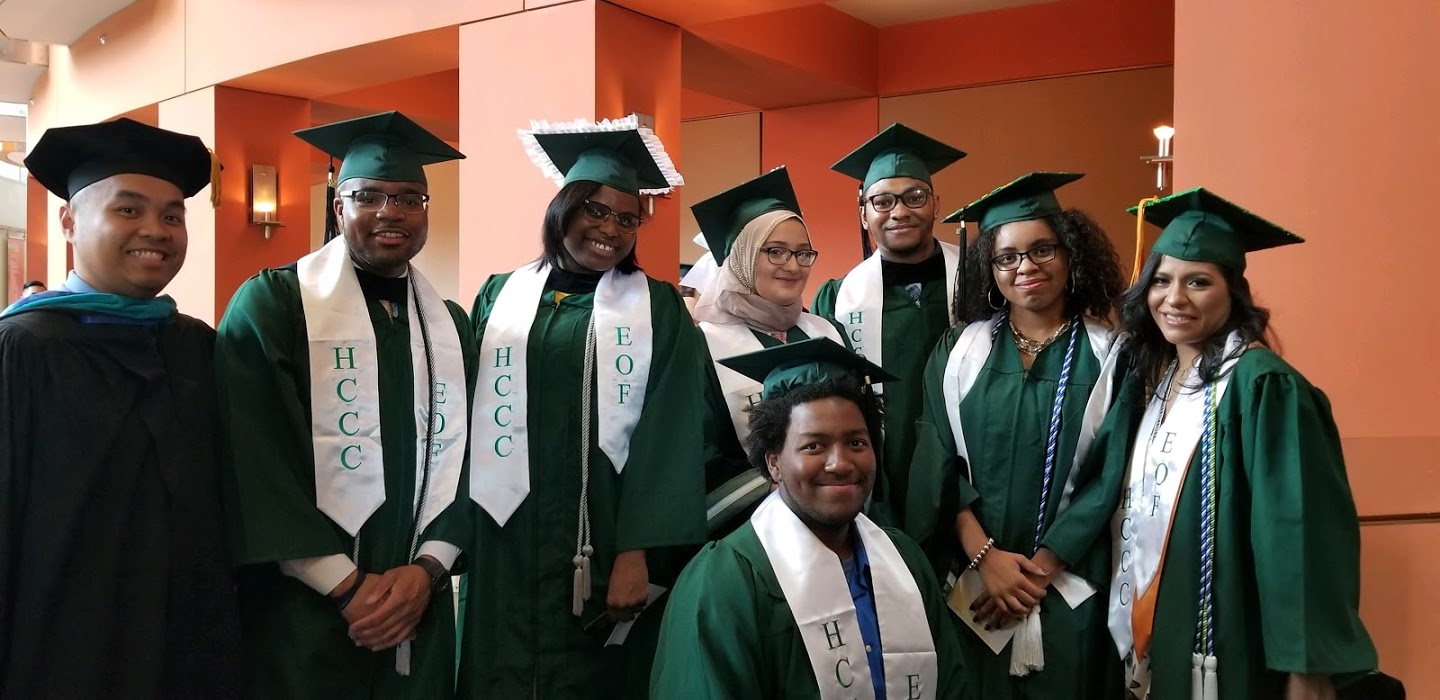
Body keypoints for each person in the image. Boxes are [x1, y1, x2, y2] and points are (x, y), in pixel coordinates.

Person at [215, 111, 476, 698]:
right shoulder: (274, 305)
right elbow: (251, 457)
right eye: (369, 196)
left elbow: (472, 455)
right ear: (338, 208)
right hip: (303, 609)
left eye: (410, 199)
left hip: (416, 605)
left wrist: (428, 570)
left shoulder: (449, 326)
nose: (391, 212)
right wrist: (346, 586)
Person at [459, 115, 706, 699]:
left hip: (599, 542)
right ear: (562, 210)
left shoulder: (658, 310)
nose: (611, 229)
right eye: (596, 210)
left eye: (626, 218)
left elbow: (670, 433)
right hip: (504, 540)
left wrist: (635, 551)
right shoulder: (500, 297)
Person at [1096, 188, 1377, 699]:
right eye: (1161, 281)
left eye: (1198, 282)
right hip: (1158, 629)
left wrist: (1306, 667)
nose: (1174, 298)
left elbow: (1299, 532)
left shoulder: (1263, 385)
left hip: (1230, 636)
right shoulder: (1156, 383)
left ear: (1234, 294)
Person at [0, 118, 241, 698]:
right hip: (64, 642)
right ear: (68, 222)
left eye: (172, 215)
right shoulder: (26, 347)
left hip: (191, 643)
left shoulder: (196, 345)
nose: (155, 230)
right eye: (128, 210)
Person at [906, 173, 1127, 698]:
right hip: (975, 587)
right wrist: (986, 558)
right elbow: (936, 459)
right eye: (1007, 256)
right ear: (990, 267)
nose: (1025, 267)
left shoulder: (1112, 355)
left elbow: (1111, 474)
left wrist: (1039, 570)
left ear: (1071, 255)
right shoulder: (959, 352)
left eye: (1042, 250)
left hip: (1069, 587)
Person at [651, 338, 967, 699]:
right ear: (774, 464)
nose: (840, 463)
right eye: (813, 446)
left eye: (856, 443)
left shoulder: (904, 559)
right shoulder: (724, 580)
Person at [813, 123, 967, 526]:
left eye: (914, 197)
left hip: (973, 474)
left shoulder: (978, 283)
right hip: (882, 488)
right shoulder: (839, 298)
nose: (899, 211)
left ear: (936, 203)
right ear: (864, 213)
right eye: (882, 201)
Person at [690, 166, 847, 533]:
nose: (792, 266)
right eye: (775, 252)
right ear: (741, 258)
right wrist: (799, 499)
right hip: (751, 529)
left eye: (803, 253)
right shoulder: (703, 344)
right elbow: (699, 456)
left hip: (842, 520)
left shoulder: (827, 332)